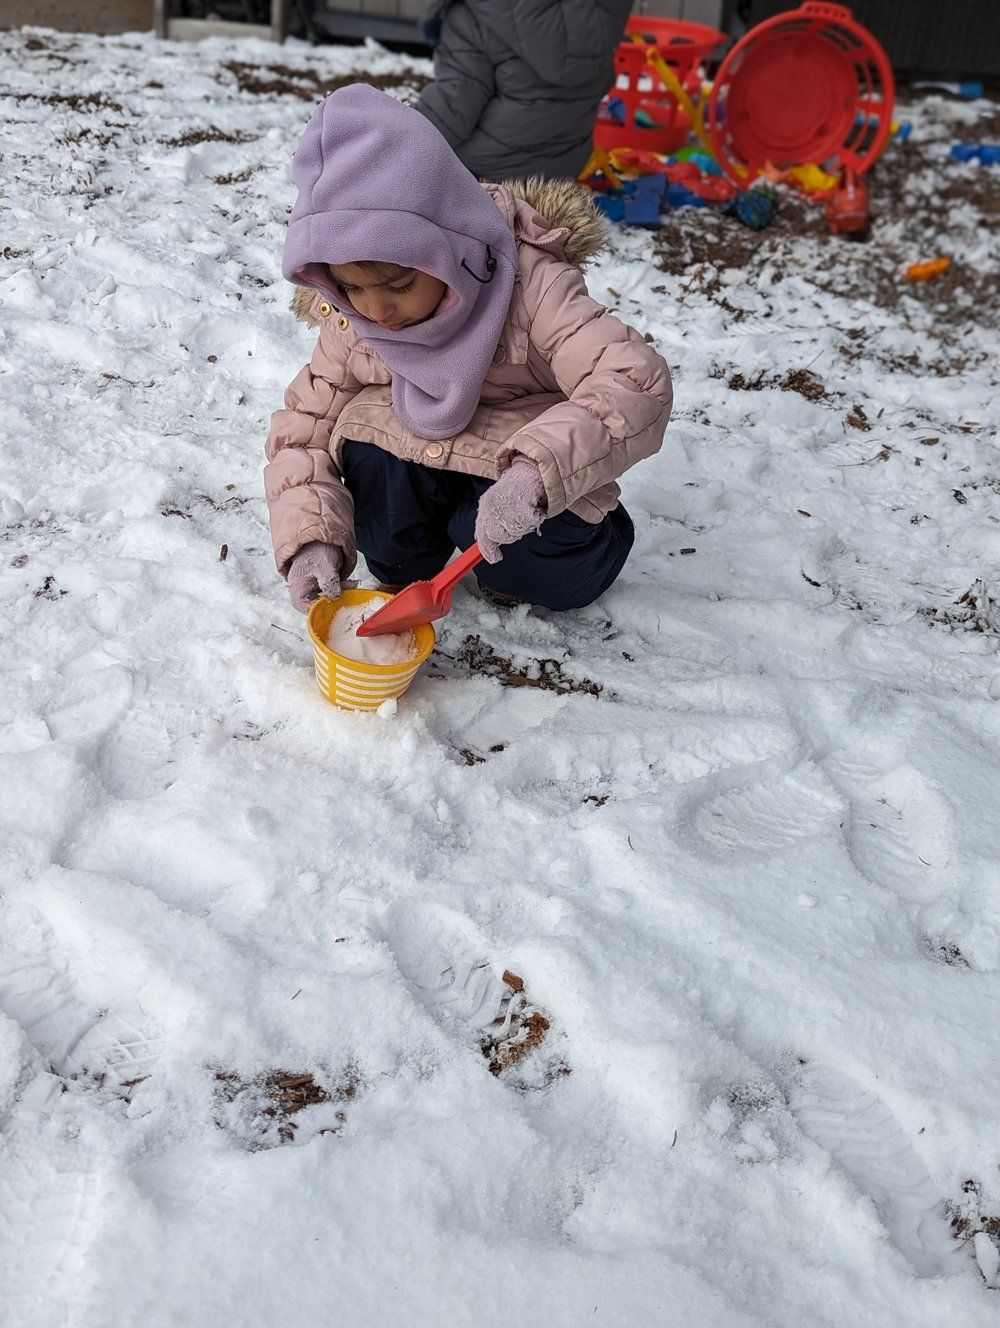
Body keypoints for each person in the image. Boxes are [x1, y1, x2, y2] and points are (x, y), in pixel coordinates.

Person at [265, 84, 671, 615]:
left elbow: (634, 379)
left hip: (517, 467)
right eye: (354, 288)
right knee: (369, 463)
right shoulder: (351, 317)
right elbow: (304, 428)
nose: (376, 310)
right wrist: (311, 538)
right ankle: (417, 557)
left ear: (448, 250)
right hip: (420, 452)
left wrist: (534, 475)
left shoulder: (531, 287)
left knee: (549, 573)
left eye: (398, 284)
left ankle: (564, 546)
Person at [416, 0, 633, 181]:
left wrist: (407, 138)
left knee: (429, 146)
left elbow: (456, 102)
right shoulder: (596, 10)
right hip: (567, 163)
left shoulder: (473, 14)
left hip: (488, 171)